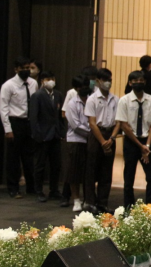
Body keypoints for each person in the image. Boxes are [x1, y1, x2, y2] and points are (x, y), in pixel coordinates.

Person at [116, 70, 151, 207]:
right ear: (130, 83)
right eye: (135, 81)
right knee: (129, 177)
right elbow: (124, 125)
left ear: (145, 82)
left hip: (147, 141)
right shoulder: (124, 101)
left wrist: (147, 145)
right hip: (131, 142)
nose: (138, 83)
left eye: (141, 81)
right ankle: (129, 207)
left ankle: (150, 207)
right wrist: (141, 146)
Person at [0, 56, 39, 198]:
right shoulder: (8, 85)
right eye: (23, 68)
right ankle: (13, 188)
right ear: (16, 69)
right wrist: (8, 129)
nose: (26, 70)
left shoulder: (33, 83)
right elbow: (3, 108)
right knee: (13, 158)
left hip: (29, 123)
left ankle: (31, 187)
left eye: (28, 68)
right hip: (15, 122)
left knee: (29, 157)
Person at [84, 68, 119, 213]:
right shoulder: (92, 99)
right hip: (96, 135)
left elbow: (119, 121)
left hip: (111, 134)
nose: (108, 83)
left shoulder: (115, 99)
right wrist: (103, 142)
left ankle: (102, 203)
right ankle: (90, 203)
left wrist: (112, 138)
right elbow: (92, 123)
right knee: (91, 170)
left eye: (110, 80)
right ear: (98, 81)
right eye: (105, 80)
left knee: (106, 171)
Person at [29, 71, 64, 203]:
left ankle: (54, 190)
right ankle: (38, 190)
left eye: (52, 78)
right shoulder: (37, 96)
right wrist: (37, 135)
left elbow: (60, 116)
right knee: (40, 165)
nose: (51, 81)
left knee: (56, 164)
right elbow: (33, 118)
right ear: (42, 81)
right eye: (48, 79)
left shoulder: (58, 95)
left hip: (55, 135)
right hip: (42, 135)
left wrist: (61, 132)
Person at [63, 84, 91, 212]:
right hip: (76, 140)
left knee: (88, 172)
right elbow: (75, 125)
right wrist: (93, 133)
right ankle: (76, 200)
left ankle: (87, 199)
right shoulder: (72, 103)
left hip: (90, 141)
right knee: (74, 172)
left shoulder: (92, 100)